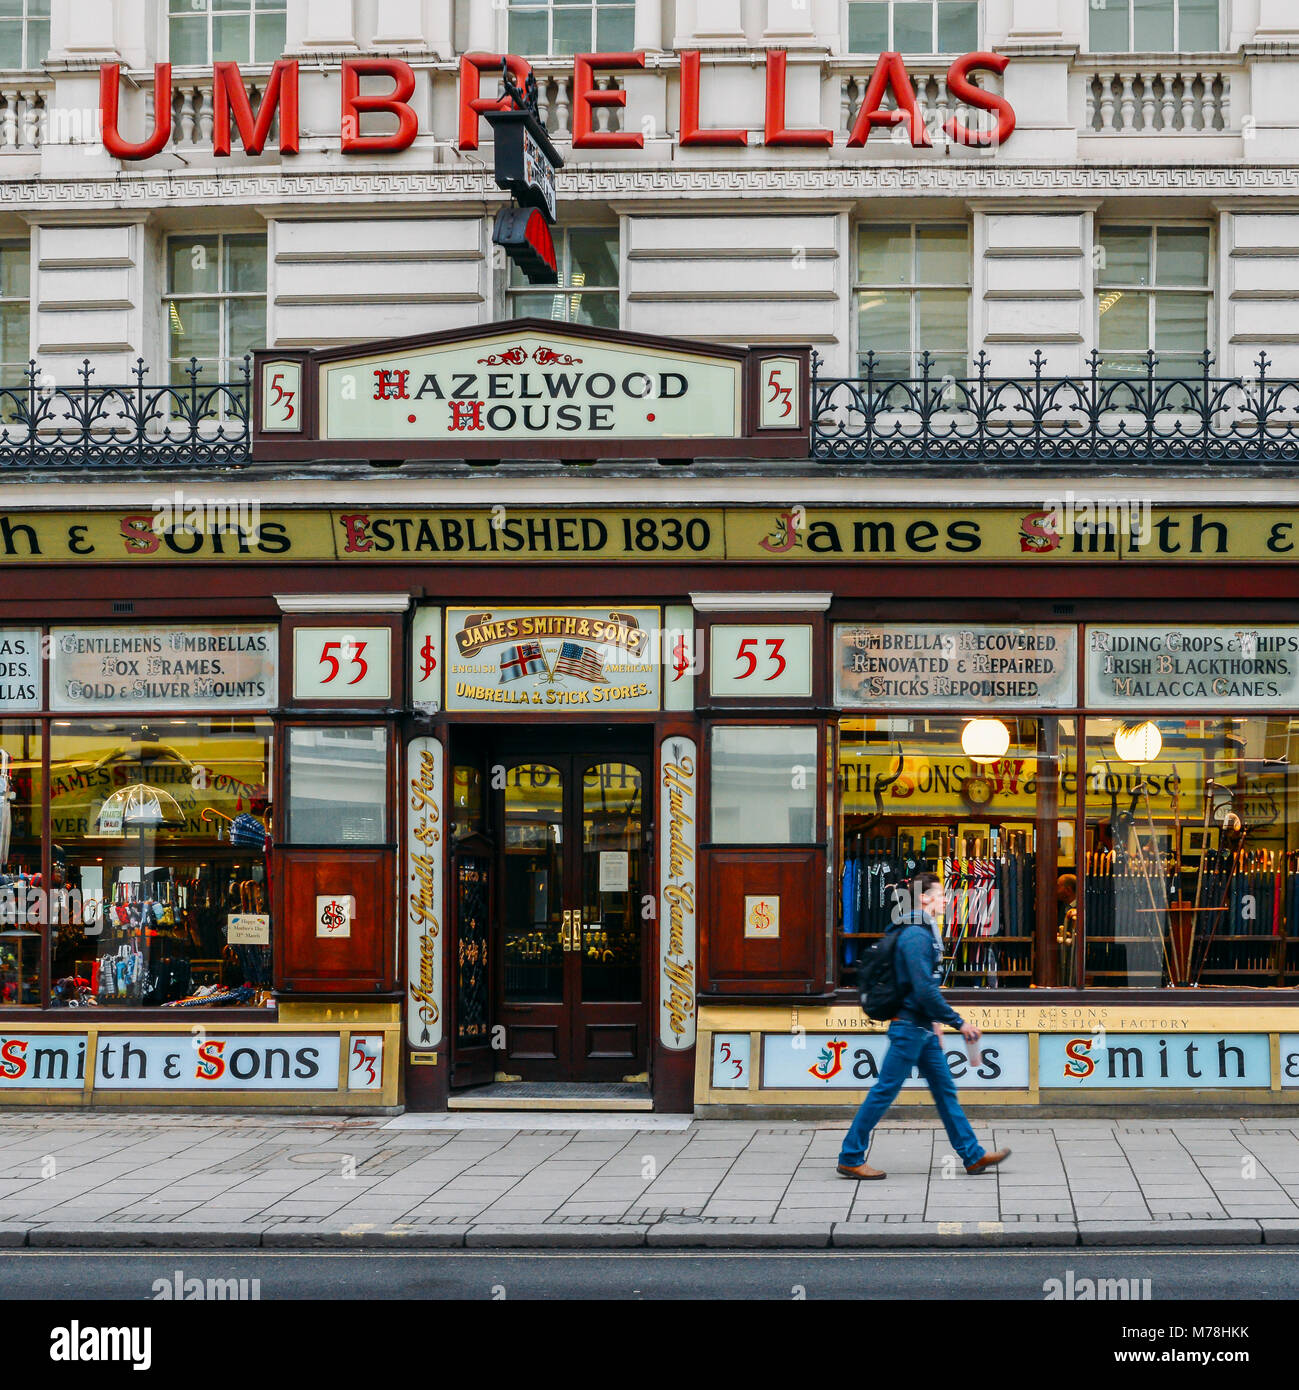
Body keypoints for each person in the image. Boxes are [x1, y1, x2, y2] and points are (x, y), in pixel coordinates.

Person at [838, 870, 1011, 1179]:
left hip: (922, 1029)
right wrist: (958, 1022)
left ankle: (972, 1156)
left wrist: (936, 1023)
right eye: (940, 893)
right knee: (884, 1091)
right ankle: (850, 1156)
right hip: (908, 1028)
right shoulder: (917, 934)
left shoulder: (924, 930)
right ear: (923, 897)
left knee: (945, 1092)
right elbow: (923, 988)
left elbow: (923, 986)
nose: (946, 898)